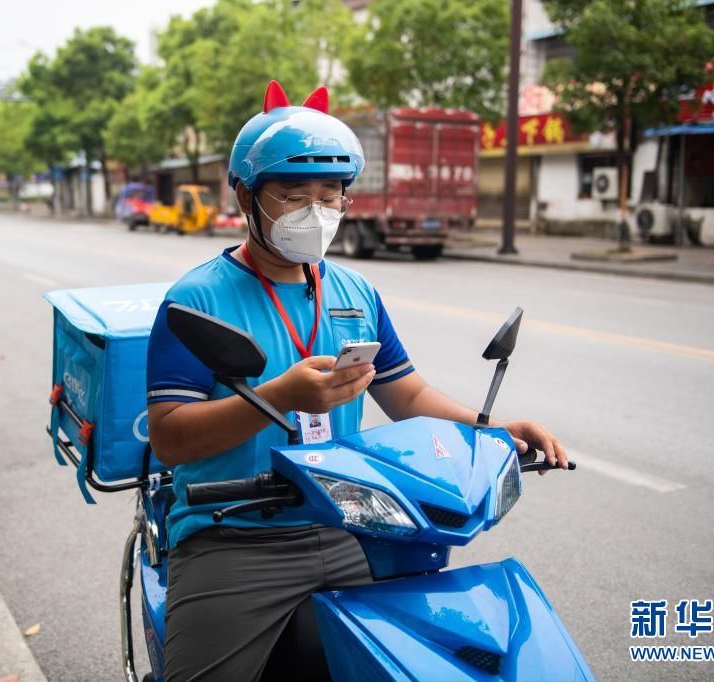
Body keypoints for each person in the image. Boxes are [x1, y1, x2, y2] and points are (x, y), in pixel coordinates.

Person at [146, 80, 569, 682]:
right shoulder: (197, 299)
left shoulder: (354, 292)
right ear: (245, 195)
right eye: (293, 195)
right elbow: (170, 438)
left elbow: (407, 394)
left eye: (330, 195)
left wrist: (494, 429)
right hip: (235, 537)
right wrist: (277, 399)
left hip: (352, 523)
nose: (315, 212)